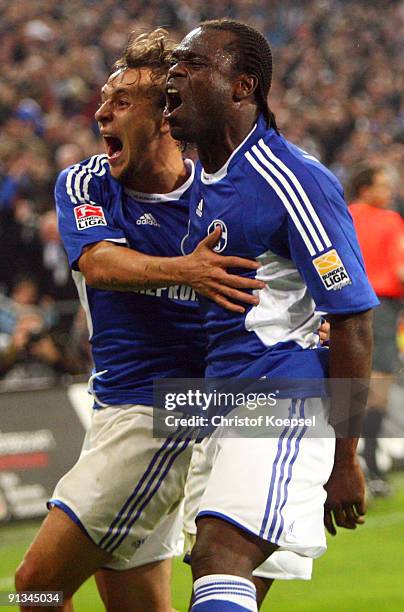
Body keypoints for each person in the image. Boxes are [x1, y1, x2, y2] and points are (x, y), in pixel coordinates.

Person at [14, 29, 297, 612]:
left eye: (120, 103)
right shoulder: (86, 182)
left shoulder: (220, 198)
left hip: (163, 411)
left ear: (166, 115)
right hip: (113, 409)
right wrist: (186, 270)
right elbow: (98, 262)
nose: (100, 113)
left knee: (36, 587)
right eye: (102, 99)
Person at [165, 18, 378, 611]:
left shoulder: (292, 180)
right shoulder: (206, 178)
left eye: (193, 64)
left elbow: (355, 319)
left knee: (220, 555)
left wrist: (346, 458)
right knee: (219, 582)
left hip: (283, 396)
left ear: (243, 86)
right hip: (219, 403)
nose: (174, 75)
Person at [349, 165, 404, 496]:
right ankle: (370, 465)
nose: (388, 190)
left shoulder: (345, 215)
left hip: (348, 306)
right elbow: (400, 267)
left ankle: (344, 464)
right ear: (365, 188)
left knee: (348, 385)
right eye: (383, 184)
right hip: (381, 308)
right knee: (379, 389)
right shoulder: (390, 220)